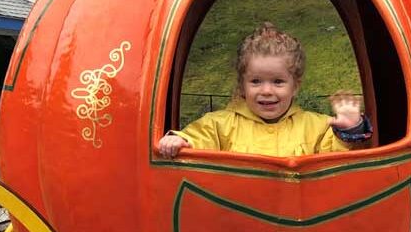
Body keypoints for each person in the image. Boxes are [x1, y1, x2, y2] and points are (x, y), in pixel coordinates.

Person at [157, 23, 372, 158]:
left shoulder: (315, 126)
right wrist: (180, 141)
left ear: (295, 86)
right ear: (242, 85)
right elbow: (197, 139)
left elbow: (334, 162)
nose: (266, 91)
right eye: (256, 81)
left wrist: (349, 131)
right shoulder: (219, 124)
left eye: (278, 82)